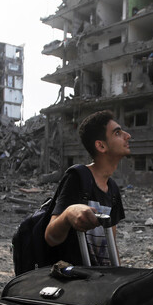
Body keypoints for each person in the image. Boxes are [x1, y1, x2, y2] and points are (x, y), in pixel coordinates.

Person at [45, 110, 131, 266]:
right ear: (101, 145)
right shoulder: (77, 177)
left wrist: (118, 275)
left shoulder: (112, 188)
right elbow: (50, 236)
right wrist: (69, 213)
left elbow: (111, 241)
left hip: (99, 280)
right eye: (117, 133)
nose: (127, 135)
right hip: (74, 280)